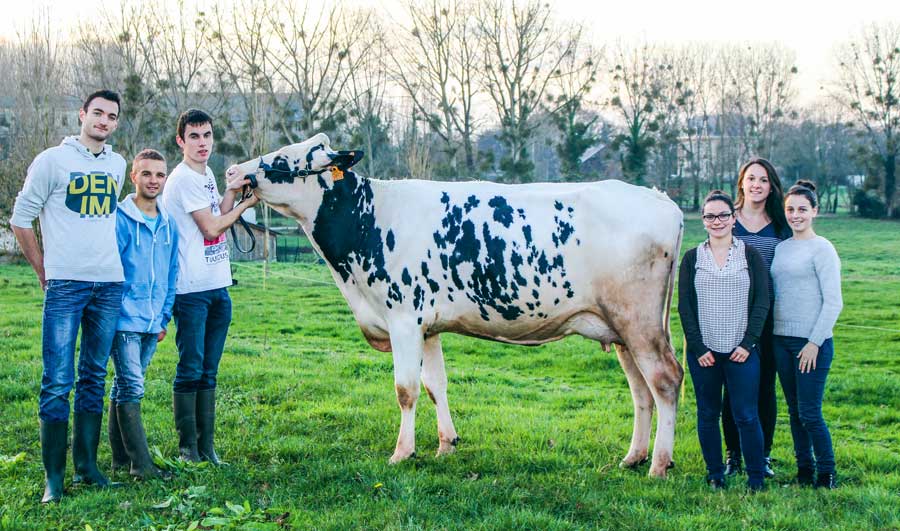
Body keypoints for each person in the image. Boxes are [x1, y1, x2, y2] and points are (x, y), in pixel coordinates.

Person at [10, 90, 127, 503]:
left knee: (94, 376)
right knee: (57, 380)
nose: (104, 121)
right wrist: (44, 269)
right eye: (97, 113)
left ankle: (88, 467)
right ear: (82, 115)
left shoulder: (117, 164)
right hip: (65, 285)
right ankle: (54, 479)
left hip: (109, 284)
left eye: (111, 116)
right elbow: (21, 219)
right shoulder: (51, 161)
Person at [160, 109, 258, 464]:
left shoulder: (204, 175)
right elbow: (212, 228)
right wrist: (247, 204)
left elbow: (218, 212)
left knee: (209, 369)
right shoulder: (184, 178)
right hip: (190, 289)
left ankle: (207, 448)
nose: (203, 143)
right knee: (191, 367)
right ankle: (189, 450)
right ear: (181, 141)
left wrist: (232, 192)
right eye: (195, 137)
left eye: (207, 135)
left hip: (217, 285)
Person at [678, 190, 770, 491]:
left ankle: (756, 477)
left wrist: (747, 343)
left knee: (745, 414)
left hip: (741, 351)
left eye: (722, 215)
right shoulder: (692, 258)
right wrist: (699, 347)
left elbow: (761, 303)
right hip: (705, 354)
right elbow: (685, 307)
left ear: (733, 218)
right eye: (709, 216)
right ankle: (715, 473)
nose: (716, 221)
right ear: (703, 221)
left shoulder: (749, 255)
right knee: (708, 414)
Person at [107, 149, 177, 480]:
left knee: (124, 384)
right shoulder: (119, 219)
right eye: (146, 174)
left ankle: (120, 458)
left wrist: (164, 316)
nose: (153, 181)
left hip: (152, 320)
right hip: (124, 318)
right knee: (132, 384)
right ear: (134, 176)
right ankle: (141, 465)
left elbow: (171, 272)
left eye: (160, 175)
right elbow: (110, 268)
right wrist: (113, 312)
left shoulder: (168, 224)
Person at [771, 180, 842, 489]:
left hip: (812, 343)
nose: (795, 215)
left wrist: (815, 342)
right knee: (794, 411)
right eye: (790, 209)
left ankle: (826, 474)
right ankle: (804, 472)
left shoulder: (822, 248)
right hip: (781, 341)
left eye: (802, 209)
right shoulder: (782, 247)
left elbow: (834, 301)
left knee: (810, 412)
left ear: (815, 211)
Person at [722, 157, 790, 478]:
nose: (756, 185)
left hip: (768, 320)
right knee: (733, 389)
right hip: (730, 318)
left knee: (764, 388)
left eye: (763, 180)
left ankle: (762, 455)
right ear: (742, 183)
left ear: (771, 186)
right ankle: (733, 455)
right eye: (751, 179)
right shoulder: (728, 220)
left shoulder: (780, 226)